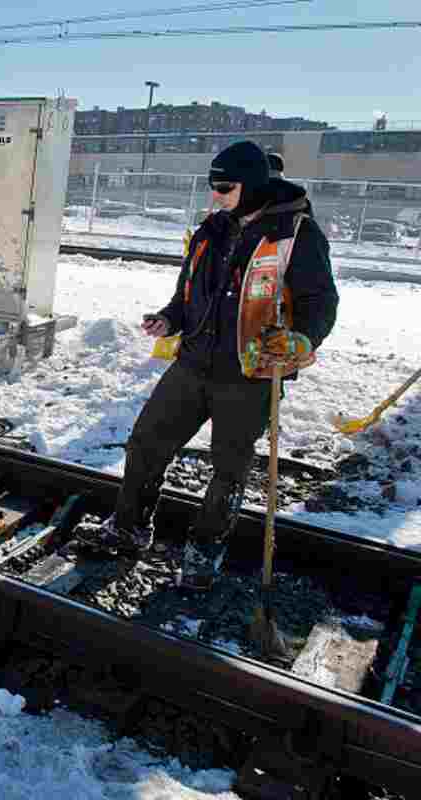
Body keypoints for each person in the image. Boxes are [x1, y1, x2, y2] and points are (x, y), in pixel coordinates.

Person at [74, 140, 339, 591]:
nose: (215, 195)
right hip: (194, 362)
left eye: (225, 187)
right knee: (146, 442)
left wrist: (302, 339)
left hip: (250, 373)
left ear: (252, 185)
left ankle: (203, 551)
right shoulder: (212, 229)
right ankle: (128, 526)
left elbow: (321, 302)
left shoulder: (297, 234)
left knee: (229, 469)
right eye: (212, 186)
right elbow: (190, 292)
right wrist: (170, 318)